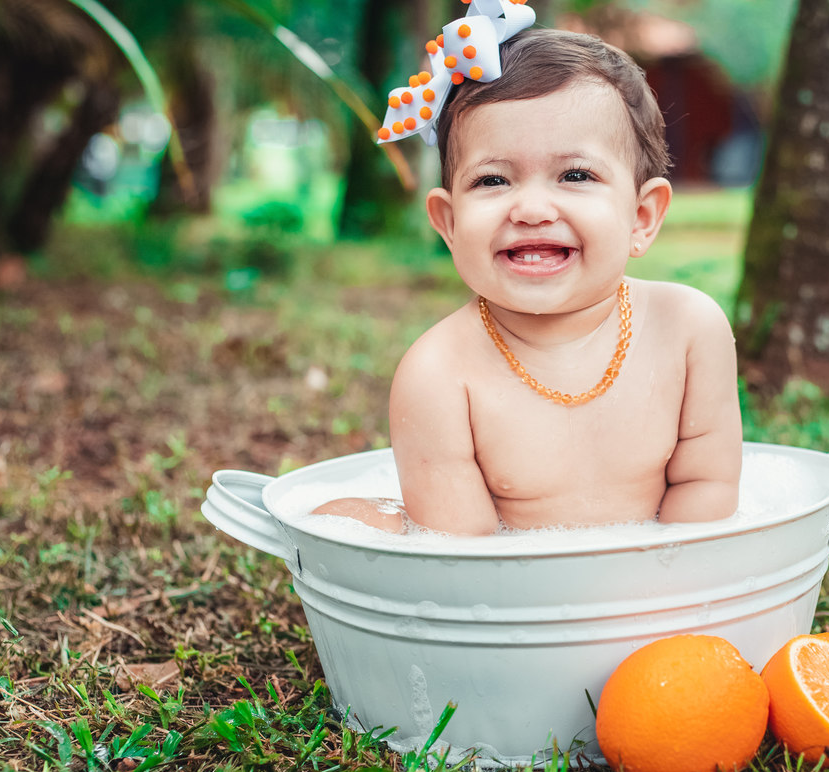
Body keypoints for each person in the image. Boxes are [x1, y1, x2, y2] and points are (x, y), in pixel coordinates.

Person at [315, 24, 742, 535]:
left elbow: (706, 492)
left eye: (575, 175)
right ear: (449, 224)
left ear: (642, 217)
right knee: (347, 526)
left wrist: (657, 591)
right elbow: (464, 555)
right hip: (515, 598)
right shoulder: (437, 374)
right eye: (493, 180)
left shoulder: (689, 331)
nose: (534, 209)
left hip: (652, 586)